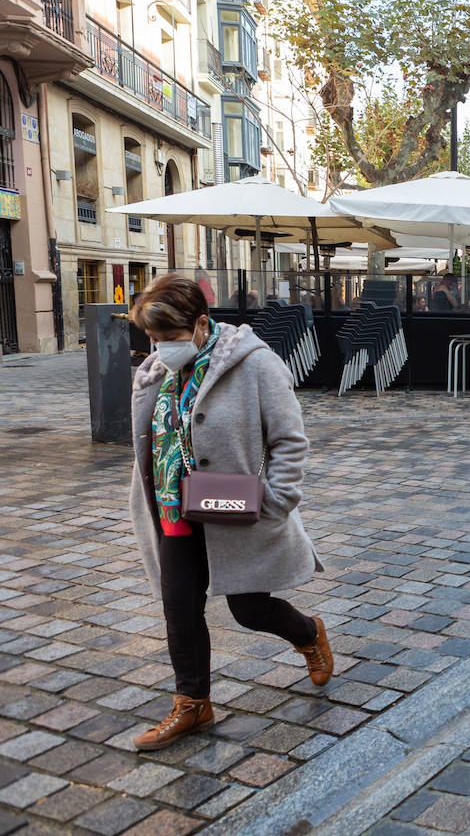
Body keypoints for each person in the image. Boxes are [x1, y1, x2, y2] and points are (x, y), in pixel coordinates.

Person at [127, 275, 330, 751]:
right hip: (174, 507)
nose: (159, 348)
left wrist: (276, 500)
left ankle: (308, 633)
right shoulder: (157, 371)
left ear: (201, 324)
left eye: (169, 338)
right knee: (179, 608)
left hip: (232, 508)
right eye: (152, 339)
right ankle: (193, 704)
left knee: (249, 607)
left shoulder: (255, 364)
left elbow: (289, 439)